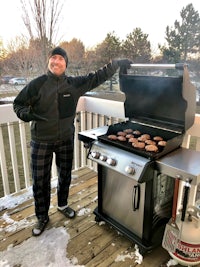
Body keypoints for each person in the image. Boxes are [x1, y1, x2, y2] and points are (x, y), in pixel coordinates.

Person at [13, 46, 132, 236]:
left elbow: (97, 76)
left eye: (61, 59)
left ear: (65, 64)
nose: (56, 61)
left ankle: (62, 204)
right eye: (53, 58)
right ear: (48, 62)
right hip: (40, 140)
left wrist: (115, 64)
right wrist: (26, 114)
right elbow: (18, 103)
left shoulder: (74, 84)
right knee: (40, 181)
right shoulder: (37, 84)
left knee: (65, 174)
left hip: (65, 139)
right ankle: (42, 216)